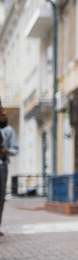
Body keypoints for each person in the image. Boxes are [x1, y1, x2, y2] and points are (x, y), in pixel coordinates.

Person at [0, 100, 19, 236]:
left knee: (1, 197)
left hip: (2, 165)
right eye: (1, 113)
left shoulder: (8, 130)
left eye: (4, 112)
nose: (4, 114)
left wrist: (7, 151)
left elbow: (15, 149)